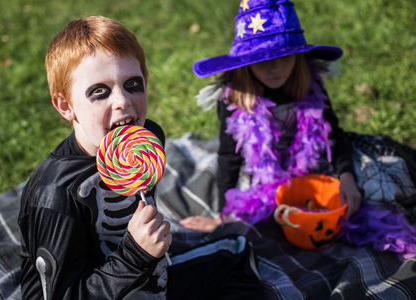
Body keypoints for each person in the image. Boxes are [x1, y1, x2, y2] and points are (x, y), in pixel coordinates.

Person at [19, 16, 263, 299]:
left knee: (237, 254)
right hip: (109, 282)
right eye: (100, 92)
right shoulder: (56, 196)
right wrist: (135, 255)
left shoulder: (146, 142)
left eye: (132, 83)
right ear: (65, 105)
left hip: (149, 275)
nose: (122, 100)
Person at [181, 0, 362, 232]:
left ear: (298, 55)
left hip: (311, 169)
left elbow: (333, 133)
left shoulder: (310, 84)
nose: (275, 68)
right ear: (247, 63)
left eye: (284, 56)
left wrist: (346, 175)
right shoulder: (235, 98)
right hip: (264, 176)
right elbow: (228, 157)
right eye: (263, 60)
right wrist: (223, 216)